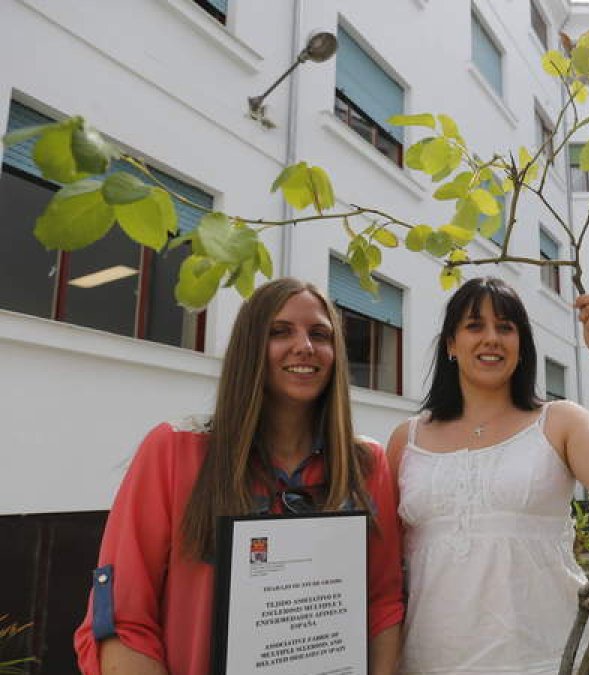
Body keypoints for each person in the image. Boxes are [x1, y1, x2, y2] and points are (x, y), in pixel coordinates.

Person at [73, 278, 404, 675]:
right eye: (280, 331)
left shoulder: (366, 464)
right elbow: (123, 621)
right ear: (249, 347)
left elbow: (383, 604)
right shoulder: (174, 450)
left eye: (321, 334)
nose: (306, 346)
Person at [388, 276, 589, 674]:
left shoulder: (558, 421)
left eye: (506, 327)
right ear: (450, 343)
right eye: (474, 326)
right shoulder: (406, 440)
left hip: (547, 660)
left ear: (521, 345)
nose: (492, 338)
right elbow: (383, 569)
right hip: (428, 663)